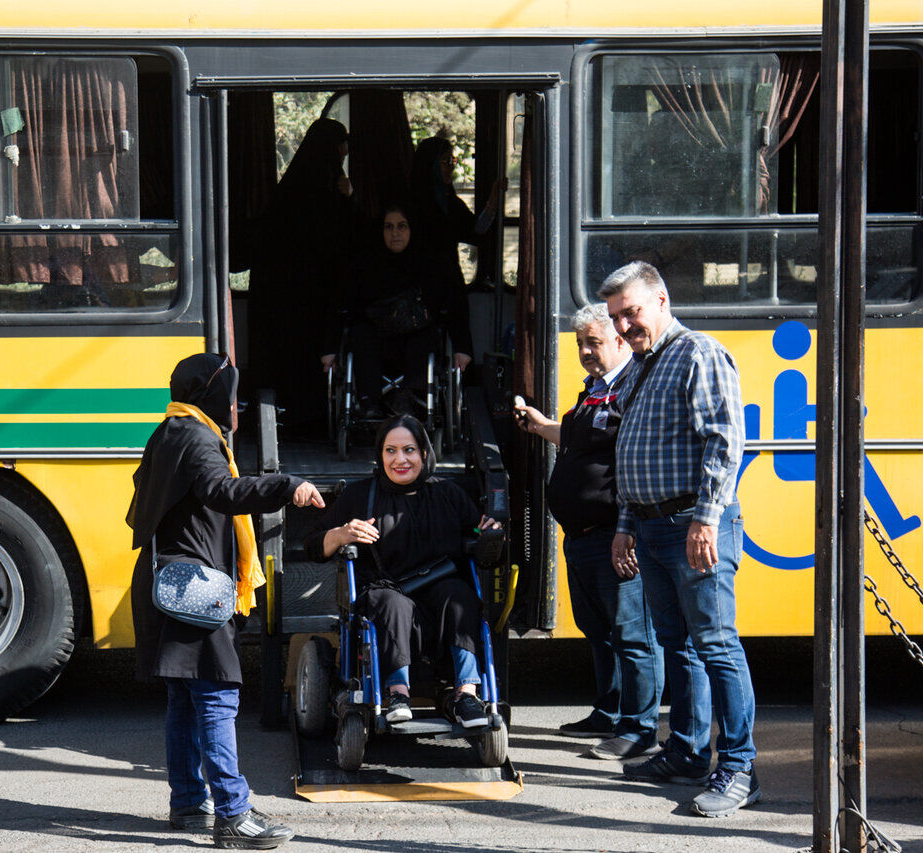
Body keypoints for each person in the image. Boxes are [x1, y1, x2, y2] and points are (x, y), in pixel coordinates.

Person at [126, 352, 324, 848]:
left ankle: (190, 804)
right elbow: (222, 491)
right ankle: (233, 815)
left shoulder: (168, 431)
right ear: (208, 393)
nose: (233, 403)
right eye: (228, 392)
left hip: (169, 582)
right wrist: (287, 486)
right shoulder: (196, 436)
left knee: (185, 699)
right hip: (195, 589)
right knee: (216, 695)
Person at [598, 261, 759, 818]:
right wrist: (625, 527)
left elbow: (723, 440)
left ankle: (739, 769)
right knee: (681, 647)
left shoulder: (698, 353)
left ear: (661, 300)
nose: (623, 326)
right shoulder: (643, 366)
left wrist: (707, 519)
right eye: (617, 317)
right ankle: (690, 753)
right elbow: (629, 455)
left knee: (716, 645)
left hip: (694, 526)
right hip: (653, 527)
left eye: (632, 313)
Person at [514, 304, 664, 761]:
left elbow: (635, 461)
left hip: (613, 536)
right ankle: (610, 709)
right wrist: (542, 427)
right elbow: (582, 441)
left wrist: (628, 529)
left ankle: (640, 730)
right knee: (597, 630)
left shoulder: (633, 389)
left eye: (593, 342)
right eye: (580, 343)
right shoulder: (593, 392)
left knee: (633, 634)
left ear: (620, 340)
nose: (584, 352)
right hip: (581, 537)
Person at [304, 415, 501, 727]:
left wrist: (489, 530)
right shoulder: (359, 496)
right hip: (385, 589)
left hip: (439, 586)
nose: (400, 459)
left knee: (461, 595)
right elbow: (313, 546)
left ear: (424, 453)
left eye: (409, 450)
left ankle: (467, 694)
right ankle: (398, 693)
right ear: (380, 455)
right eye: (390, 451)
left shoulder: (448, 494)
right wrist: (342, 533)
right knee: (392, 603)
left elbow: (479, 535)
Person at [248, 117, 355, 432]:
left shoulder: (289, 189)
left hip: (279, 294)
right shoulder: (330, 192)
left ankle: (288, 420)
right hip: (316, 294)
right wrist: (349, 200)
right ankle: (312, 421)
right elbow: (345, 240)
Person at [322, 203, 465, 419]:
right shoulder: (364, 264)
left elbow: (456, 304)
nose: (395, 233)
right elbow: (340, 304)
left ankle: (410, 399)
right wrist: (330, 349)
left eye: (402, 226)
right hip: (376, 341)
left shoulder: (432, 264)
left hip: (416, 342)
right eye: (388, 227)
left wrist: (462, 349)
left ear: (412, 229)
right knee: (360, 332)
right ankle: (369, 402)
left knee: (428, 332)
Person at [408, 136, 497, 374]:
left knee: (452, 282)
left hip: (445, 280)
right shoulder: (409, 202)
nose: (451, 166)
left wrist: (491, 206)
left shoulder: (450, 202)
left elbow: (474, 230)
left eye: (453, 160)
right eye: (446, 161)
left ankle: (462, 356)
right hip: (412, 281)